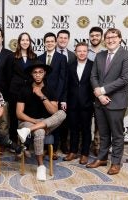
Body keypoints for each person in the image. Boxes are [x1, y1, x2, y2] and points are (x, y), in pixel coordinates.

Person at [87, 28, 128, 175]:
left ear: (120, 38)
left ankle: (115, 162)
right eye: (107, 38)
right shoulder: (100, 55)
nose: (110, 40)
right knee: (104, 133)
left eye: (113, 37)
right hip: (100, 101)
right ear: (104, 40)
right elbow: (93, 76)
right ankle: (102, 158)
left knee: (117, 134)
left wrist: (103, 90)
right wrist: (99, 94)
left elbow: (124, 79)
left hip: (116, 102)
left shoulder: (127, 55)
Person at [16, 60, 66, 181]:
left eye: (40, 72)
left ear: (44, 74)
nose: (38, 74)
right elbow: (19, 113)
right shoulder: (24, 89)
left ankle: (27, 131)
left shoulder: (50, 89)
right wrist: (35, 122)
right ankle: (41, 166)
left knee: (62, 113)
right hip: (28, 121)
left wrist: (42, 96)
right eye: (35, 72)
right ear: (32, 75)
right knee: (40, 131)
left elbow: (54, 112)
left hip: (45, 121)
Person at [63, 42, 94, 165]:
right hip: (72, 103)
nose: (82, 53)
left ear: (87, 52)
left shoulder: (93, 65)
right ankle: (73, 151)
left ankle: (85, 154)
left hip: (87, 103)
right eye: (79, 51)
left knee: (86, 129)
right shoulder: (70, 66)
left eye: (84, 51)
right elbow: (66, 84)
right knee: (73, 129)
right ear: (75, 52)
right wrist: (65, 100)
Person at [38, 32, 67, 160]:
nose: (49, 43)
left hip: (56, 95)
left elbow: (63, 79)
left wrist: (60, 97)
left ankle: (54, 149)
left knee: (55, 121)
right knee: (44, 120)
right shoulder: (40, 57)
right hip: (43, 95)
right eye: (47, 41)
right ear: (44, 43)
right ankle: (44, 148)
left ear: (55, 43)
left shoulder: (61, 58)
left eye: (51, 41)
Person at [8, 32, 37, 151]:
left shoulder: (34, 57)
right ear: (19, 42)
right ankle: (14, 143)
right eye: (22, 40)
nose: (25, 42)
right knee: (14, 117)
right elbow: (8, 75)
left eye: (27, 40)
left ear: (29, 42)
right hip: (15, 91)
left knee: (27, 117)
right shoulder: (12, 56)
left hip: (29, 92)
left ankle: (27, 143)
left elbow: (35, 74)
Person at [54, 29, 77, 155]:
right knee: (53, 120)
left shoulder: (73, 55)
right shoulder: (50, 54)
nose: (62, 40)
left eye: (65, 38)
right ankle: (53, 145)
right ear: (57, 39)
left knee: (65, 121)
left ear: (68, 40)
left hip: (69, 94)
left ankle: (64, 143)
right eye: (60, 37)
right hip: (54, 94)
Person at [87, 26, 106, 156]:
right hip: (87, 92)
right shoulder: (85, 52)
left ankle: (98, 145)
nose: (94, 38)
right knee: (86, 120)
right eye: (92, 35)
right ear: (89, 37)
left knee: (100, 121)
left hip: (101, 91)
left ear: (101, 37)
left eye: (97, 35)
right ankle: (85, 145)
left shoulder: (106, 52)